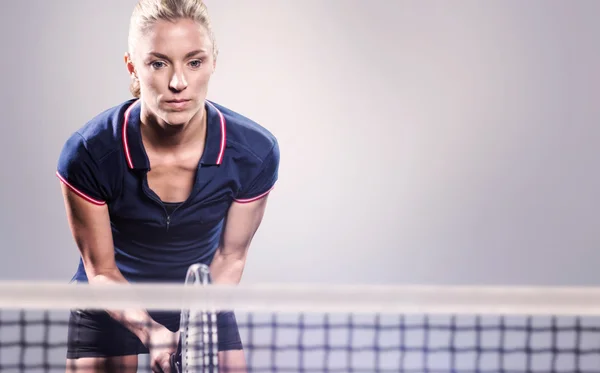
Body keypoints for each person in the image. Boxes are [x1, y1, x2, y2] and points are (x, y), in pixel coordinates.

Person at [56, 0, 279, 372]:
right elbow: (101, 271)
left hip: (203, 300)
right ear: (133, 66)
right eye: (158, 63)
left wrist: (195, 325)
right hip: (113, 296)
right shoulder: (89, 153)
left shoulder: (254, 153)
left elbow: (230, 257)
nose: (178, 82)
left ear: (212, 62)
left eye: (194, 62)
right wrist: (152, 332)